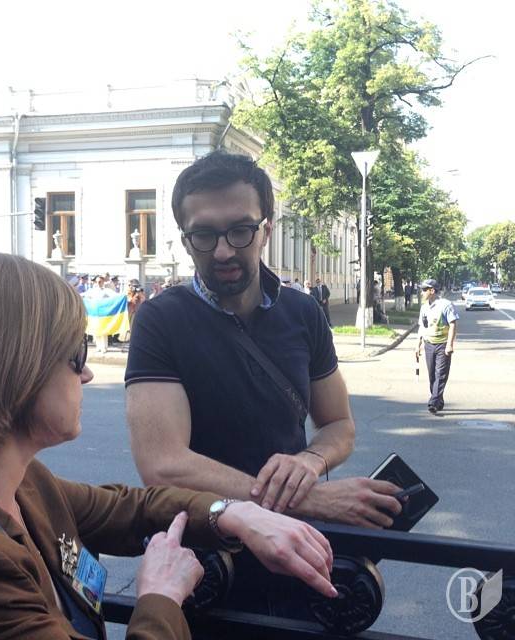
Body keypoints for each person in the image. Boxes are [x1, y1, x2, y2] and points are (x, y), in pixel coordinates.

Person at [0, 250, 338, 640]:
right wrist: (160, 597)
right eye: (76, 353)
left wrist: (234, 513)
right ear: (15, 370)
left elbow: (126, 508)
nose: (87, 373)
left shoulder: (9, 478)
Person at [125, 151, 402, 617]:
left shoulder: (304, 313)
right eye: (204, 235)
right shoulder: (160, 320)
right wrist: (310, 498)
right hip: (207, 566)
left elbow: (339, 425)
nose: (223, 251)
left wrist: (312, 460)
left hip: (297, 555)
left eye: (240, 230)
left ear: (266, 231)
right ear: (186, 241)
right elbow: (163, 465)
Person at [415, 278, 459, 414]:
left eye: (424, 290)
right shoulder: (424, 307)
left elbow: (453, 324)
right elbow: (422, 327)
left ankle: (433, 402)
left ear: (432, 291)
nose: (422, 293)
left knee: (440, 374)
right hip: (429, 344)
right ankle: (438, 400)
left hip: (442, 345)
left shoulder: (446, 305)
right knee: (432, 375)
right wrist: (418, 345)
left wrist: (449, 345)